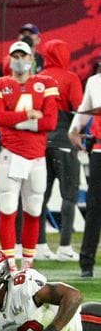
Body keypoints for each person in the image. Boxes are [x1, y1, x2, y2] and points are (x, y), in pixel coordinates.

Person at [0, 41, 59, 272]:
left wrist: (15, 121)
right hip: (11, 155)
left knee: (34, 210)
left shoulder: (45, 83)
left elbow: (50, 122)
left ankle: (27, 264)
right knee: (7, 209)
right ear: (9, 59)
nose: (19, 60)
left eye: (23, 55)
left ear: (31, 59)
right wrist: (28, 115)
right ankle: (10, 263)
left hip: (36, 157)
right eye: (15, 56)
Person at [33, 40, 84, 262]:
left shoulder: (37, 79)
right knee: (69, 195)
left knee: (39, 196)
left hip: (41, 142)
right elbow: (79, 108)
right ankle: (64, 247)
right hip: (64, 140)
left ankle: (40, 246)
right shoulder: (70, 78)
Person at [69, 57, 101, 278]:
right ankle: (86, 262)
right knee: (95, 207)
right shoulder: (95, 82)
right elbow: (86, 109)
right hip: (99, 150)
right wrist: (74, 130)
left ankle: (87, 261)